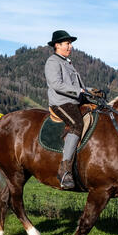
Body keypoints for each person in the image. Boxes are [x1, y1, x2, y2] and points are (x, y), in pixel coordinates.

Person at [44, 30, 104, 189]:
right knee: (77, 124)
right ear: (57, 45)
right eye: (67, 43)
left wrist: (90, 90)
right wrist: (80, 92)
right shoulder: (53, 62)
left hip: (74, 101)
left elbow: (79, 87)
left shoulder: (67, 62)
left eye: (70, 43)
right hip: (61, 103)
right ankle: (64, 170)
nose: (70, 46)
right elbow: (56, 84)